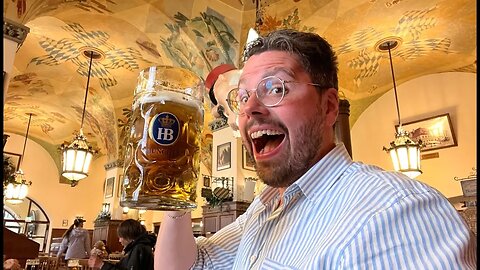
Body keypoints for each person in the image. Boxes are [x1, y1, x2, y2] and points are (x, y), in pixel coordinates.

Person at [154, 29, 477, 269]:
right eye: (242, 96)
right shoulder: (265, 207)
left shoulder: (399, 210)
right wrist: (174, 188)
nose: (250, 108)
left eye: (275, 88)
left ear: (329, 107)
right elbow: (191, 265)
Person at [88, 219, 156, 270]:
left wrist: (102, 265)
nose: (119, 240)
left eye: (121, 237)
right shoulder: (137, 247)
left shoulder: (139, 248)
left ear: (128, 236)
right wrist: (103, 264)